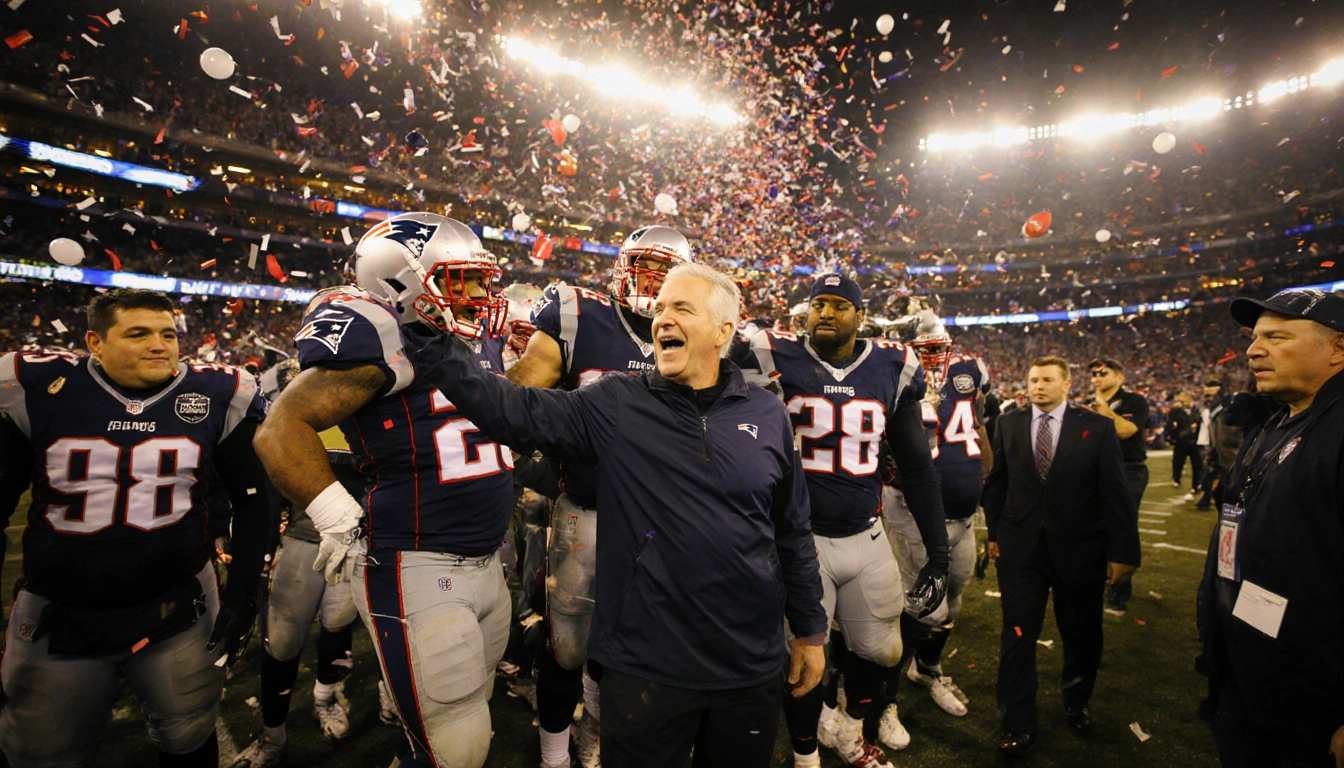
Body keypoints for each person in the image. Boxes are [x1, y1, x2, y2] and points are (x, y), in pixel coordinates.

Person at [403, 262, 828, 768]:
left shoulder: (766, 413)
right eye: (661, 307)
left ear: (723, 330)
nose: (662, 318)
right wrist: (427, 335)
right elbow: (510, 408)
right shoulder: (617, 401)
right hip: (645, 663)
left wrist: (809, 629)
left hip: (749, 662)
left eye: (681, 308)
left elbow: (792, 531)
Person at [253, 213, 514, 768]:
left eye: (478, 278)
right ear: (402, 281)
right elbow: (280, 428)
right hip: (417, 560)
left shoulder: (469, 341)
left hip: (486, 557)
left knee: (456, 719)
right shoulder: (383, 334)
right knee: (456, 747)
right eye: (458, 279)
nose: (476, 293)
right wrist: (335, 516)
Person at [0, 289, 272, 768]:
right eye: (138, 333)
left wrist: (243, 594)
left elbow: (256, 500)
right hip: (58, 612)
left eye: (168, 334)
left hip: (179, 606)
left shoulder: (216, 393)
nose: (159, 345)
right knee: (41, 751)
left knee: (189, 734)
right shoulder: (40, 388)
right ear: (94, 342)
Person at [503, 225, 695, 768]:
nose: (652, 283)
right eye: (645, 267)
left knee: (638, 647)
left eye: (665, 274)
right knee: (567, 647)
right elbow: (520, 399)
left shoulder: (694, 330)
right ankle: (554, 752)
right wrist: (535, 466)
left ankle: (599, 734)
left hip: (660, 521)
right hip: (584, 513)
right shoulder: (577, 312)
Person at [748, 274, 949, 768]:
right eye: (819, 304)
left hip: (867, 532)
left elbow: (917, 467)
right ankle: (805, 754)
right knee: (803, 658)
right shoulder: (772, 354)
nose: (827, 314)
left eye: (840, 305)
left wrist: (938, 552)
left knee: (882, 652)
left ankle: (849, 730)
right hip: (799, 541)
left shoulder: (893, 365)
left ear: (861, 316)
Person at [1197, 288, 1344, 767]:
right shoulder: (1280, 422)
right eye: (1255, 337)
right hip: (1253, 668)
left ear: (1338, 347)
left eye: (1276, 337)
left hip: (1312, 699)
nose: (1253, 350)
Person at [231, 366, 398, 768]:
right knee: (285, 640)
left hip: (360, 540)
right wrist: (266, 547)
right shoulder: (295, 405)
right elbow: (271, 485)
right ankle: (274, 736)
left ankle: (324, 697)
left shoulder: (382, 406)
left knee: (337, 624)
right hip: (305, 538)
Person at [982, 356, 1139, 756]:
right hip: (1021, 550)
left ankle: (1077, 701)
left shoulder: (1098, 427)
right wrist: (994, 534)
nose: (1038, 386)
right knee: (1017, 636)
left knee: (1082, 635)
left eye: (1048, 380)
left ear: (1067, 385)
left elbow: (1116, 494)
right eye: (1033, 379)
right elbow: (997, 483)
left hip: (1081, 549)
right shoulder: (1008, 423)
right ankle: (1017, 720)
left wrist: (1123, 552)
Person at [890, 327, 994, 718]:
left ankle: (927, 669)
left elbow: (979, 424)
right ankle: (884, 694)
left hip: (964, 515)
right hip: (913, 514)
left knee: (951, 603)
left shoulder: (969, 371)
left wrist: (983, 472)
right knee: (917, 607)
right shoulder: (896, 369)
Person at [1086, 358, 1149, 612]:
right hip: (1098, 471)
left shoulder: (1135, 401)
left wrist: (1102, 408)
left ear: (1120, 377)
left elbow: (1125, 430)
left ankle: (1120, 590)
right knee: (1096, 526)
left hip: (1128, 470)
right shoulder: (1093, 403)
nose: (1097, 377)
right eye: (1094, 373)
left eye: (1103, 372)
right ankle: (1102, 580)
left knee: (1121, 526)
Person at [1167, 392, 1202, 492]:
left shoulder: (1194, 410)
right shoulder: (1177, 411)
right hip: (1185, 439)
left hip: (1188, 439)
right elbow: (1171, 424)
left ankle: (1192, 483)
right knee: (1182, 462)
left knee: (1192, 463)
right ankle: (1185, 481)